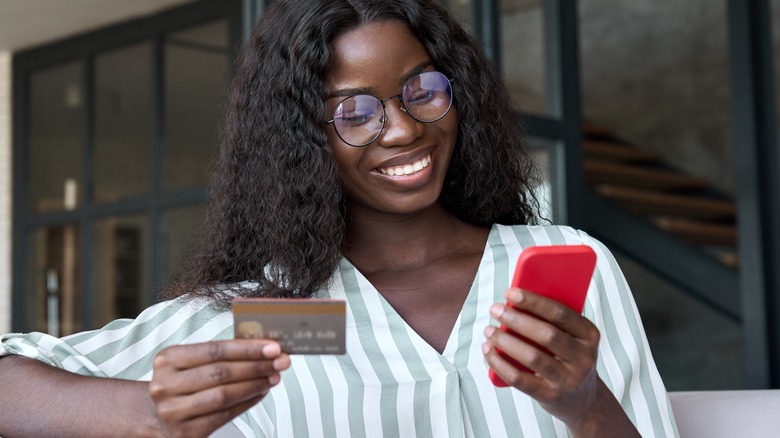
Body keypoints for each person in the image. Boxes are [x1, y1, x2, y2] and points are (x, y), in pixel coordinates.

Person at [0, 0, 678, 437]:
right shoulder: (289, 317)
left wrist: (587, 408)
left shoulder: (563, 267)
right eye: (354, 112)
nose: (403, 129)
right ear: (302, 139)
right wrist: (145, 412)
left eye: (423, 91)